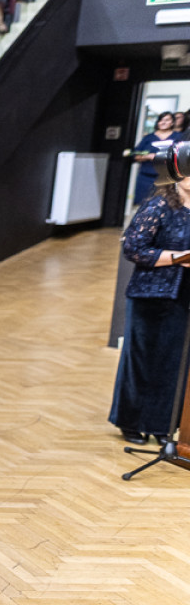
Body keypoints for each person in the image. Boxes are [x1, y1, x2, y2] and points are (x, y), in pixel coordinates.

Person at [111, 173, 190, 443]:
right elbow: (133, 249)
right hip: (151, 295)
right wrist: (179, 258)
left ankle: (162, 426)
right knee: (141, 362)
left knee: (175, 365)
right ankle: (130, 422)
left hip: (184, 297)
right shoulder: (158, 206)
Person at [134, 114, 183, 205]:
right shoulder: (148, 138)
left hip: (168, 179)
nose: (163, 122)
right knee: (143, 204)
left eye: (167, 120)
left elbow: (183, 156)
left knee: (166, 204)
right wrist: (148, 156)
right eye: (161, 120)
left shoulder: (178, 137)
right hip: (146, 178)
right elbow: (135, 155)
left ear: (172, 122)